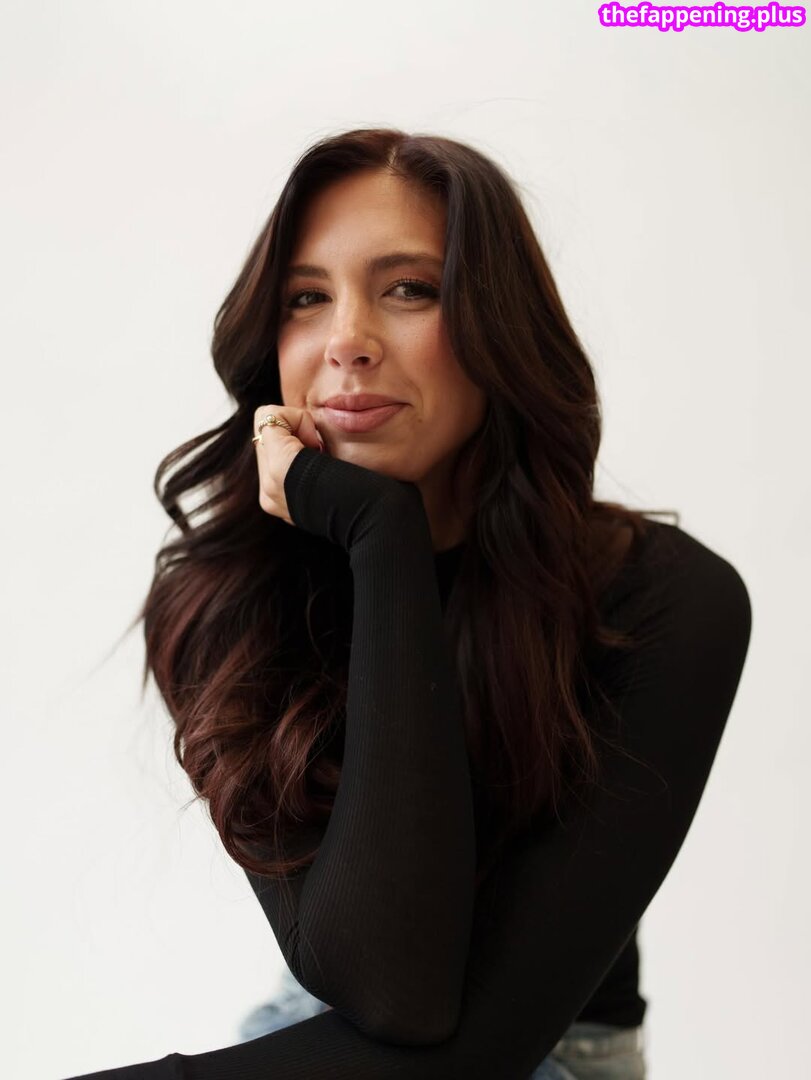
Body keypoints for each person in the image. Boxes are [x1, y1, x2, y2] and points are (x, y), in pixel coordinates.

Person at [61, 128, 751, 1080]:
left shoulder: (660, 598)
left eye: (409, 289)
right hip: (318, 1034)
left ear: (499, 325)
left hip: (543, 1055)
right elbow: (383, 984)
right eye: (306, 298)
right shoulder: (224, 602)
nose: (346, 341)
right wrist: (378, 542)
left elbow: (469, 1045)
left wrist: (382, 535)